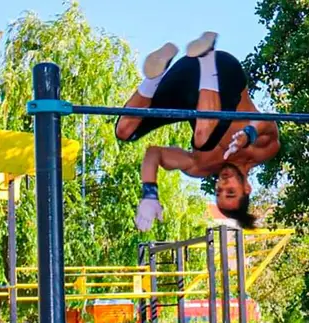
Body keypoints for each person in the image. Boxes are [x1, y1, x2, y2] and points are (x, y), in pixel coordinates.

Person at [116, 31, 280, 231]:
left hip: (187, 78)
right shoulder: (261, 152)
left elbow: (154, 153)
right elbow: (267, 123)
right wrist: (248, 134)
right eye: (230, 192)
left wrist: (149, 192)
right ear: (246, 188)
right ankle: (207, 55)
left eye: (218, 191)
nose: (223, 184)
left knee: (125, 130)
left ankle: (155, 77)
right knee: (204, 139)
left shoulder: (201, 166)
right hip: (226, 72)